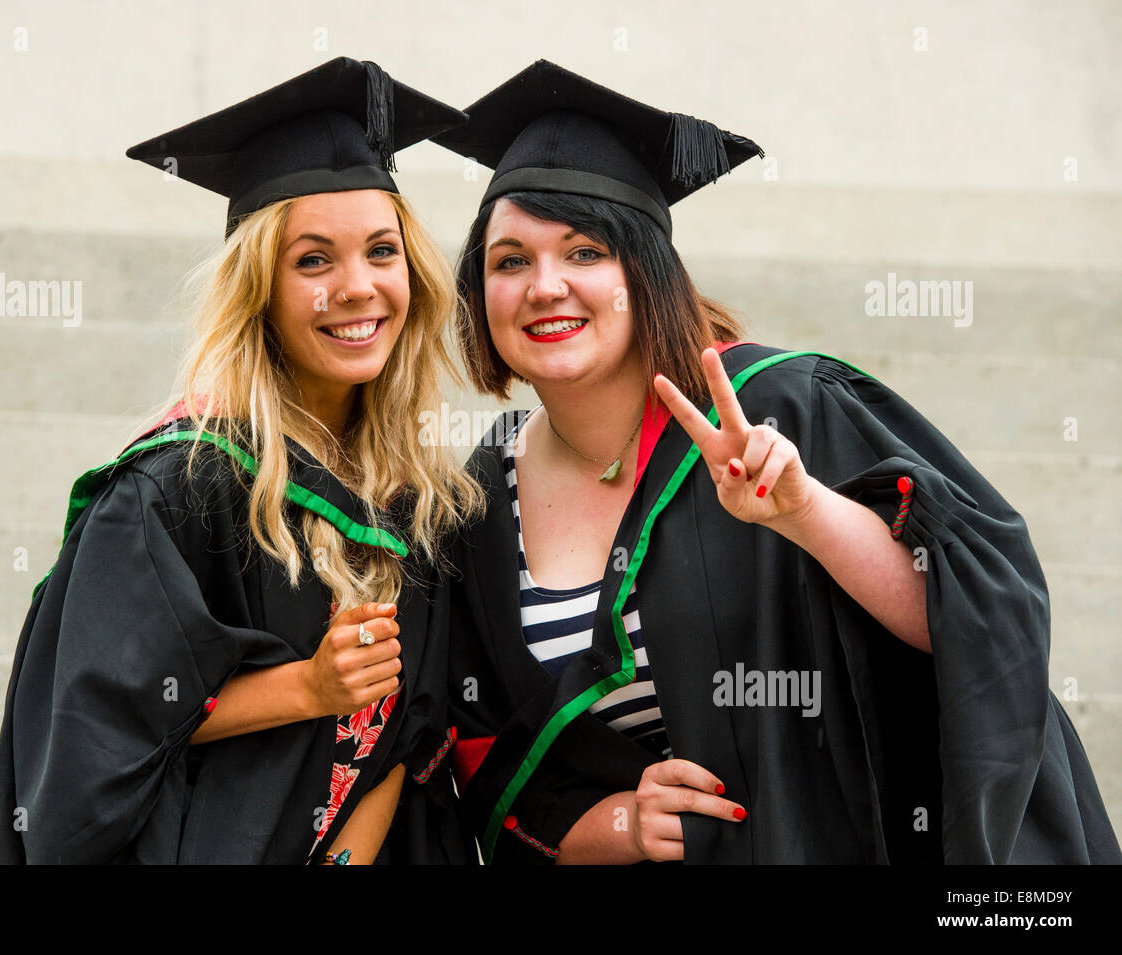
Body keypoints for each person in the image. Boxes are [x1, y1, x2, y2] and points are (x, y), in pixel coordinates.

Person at [431, 60, 1121, 864]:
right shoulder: (482, 496)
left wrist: (806, 514)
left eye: (585, 252)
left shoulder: (784, 406)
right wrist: (618, 822)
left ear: (644, 273)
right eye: (509, 261)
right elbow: (483, 749)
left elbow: (976, 615)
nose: (545, 285)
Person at [0, 58, 483, 864]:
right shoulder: (178, 485)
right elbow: (100, 725)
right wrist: (309, 688)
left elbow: (410, 735)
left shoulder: (418, 496)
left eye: (382, 251)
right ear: (262, 289)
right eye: (313, 260)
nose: (358, 287)